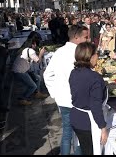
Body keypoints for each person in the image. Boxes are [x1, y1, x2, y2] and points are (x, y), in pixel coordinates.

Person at [44, 25, 89, 155]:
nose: (88, 40)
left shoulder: (59, 52)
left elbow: (47, 75)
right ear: (76, 37)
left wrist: (55, 94)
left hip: (63, 100)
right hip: (77, 102)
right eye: (85, 37)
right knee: (80, 136)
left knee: (67, 134)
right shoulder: (78, 53)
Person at [69, 42, 108, 155]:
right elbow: (95, 106)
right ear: (90, 57)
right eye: (96, 54)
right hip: (87, 122)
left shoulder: (74, 72)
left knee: (84, 148)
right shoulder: (95, 77)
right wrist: (103, 127)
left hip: (76, 116)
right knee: (90, 151)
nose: (98, 57)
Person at [11, 31, 48, 106]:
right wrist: (41, 53)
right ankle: (22, 98)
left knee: (37, 78)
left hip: (22, 70)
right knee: (32, 86)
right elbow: (38, 61)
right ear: (34, 43)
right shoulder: (30, 51)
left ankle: (37, 93)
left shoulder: (25, 48)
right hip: (20, 72)